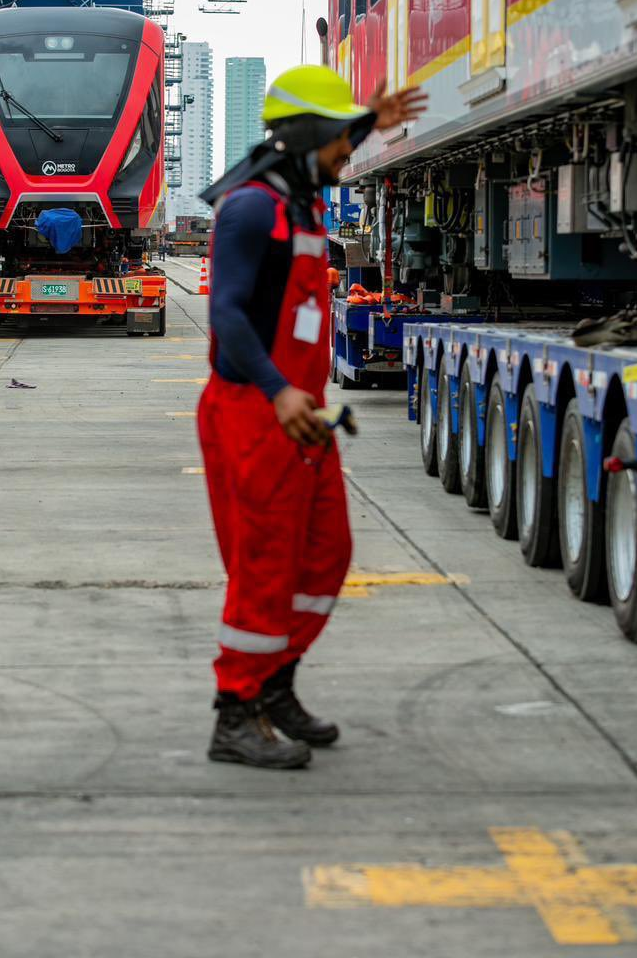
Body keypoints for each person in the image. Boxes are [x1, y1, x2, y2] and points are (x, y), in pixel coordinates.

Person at [198, 65, 426, 769]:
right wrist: (277, 390)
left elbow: (328, 141)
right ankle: (235, 712)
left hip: (300, 415)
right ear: (306, 138)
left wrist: (369, 119)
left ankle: (275, 684)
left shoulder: (301, 203)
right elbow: (227, 314)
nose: (346, 154)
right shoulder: (251, 209)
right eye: (339, 140)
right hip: (255, 408)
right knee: (266, 565)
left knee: (325, 556)